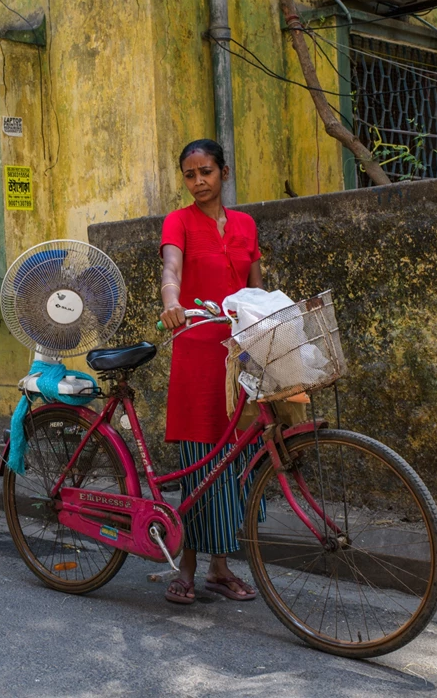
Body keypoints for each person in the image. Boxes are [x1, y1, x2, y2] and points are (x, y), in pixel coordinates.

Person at [158, 139, 263, 604]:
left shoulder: (245, 224)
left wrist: (267, 321)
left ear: (224, 172)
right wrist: (171, 302)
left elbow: (256, 286)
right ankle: (188, 565)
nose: (198, 182)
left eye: (206, 172)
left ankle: (221, 568)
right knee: (200, 461)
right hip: (198, 352)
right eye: (190, 174)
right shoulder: (178, 221)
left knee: (239, 459)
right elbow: (171, 267)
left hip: (240, 353)